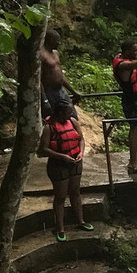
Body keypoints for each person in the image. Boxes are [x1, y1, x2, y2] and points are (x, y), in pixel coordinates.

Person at [39, 99, 90, 242]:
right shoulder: (49, 128)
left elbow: (81, 139)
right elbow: (42, 150)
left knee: (75, 192)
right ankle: (60, 228)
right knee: (60, 196)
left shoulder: (73, 122)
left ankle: (80, 221)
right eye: (67, 112)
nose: (70, 115)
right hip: (58, 165)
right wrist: (62, 157)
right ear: (59, 113)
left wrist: (81, 153)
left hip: (75, 161)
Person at [113, 26, 137, 174]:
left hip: (136, 98)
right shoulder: (124, 65)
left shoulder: (122, 57)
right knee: (134, 129)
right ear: (127, 52)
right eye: (134, 50)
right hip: (131, 99)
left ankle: (136, 157)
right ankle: (133, 164)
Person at [41, 29, 82, 119]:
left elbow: (60, 75)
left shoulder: (56, 53)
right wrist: (45, 100)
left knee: (72, 115)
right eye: (57, 41)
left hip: (60, 90)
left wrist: (73, 91)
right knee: (53, 118)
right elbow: (38, 80)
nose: (59, 43)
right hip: (49, 91)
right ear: (50, 40)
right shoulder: (42, 55)